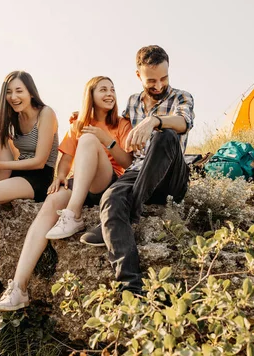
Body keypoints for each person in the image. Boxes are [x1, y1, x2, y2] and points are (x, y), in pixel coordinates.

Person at [0, 76, 133, 312]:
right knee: (51, 202)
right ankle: (18, 288)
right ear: (91, 95)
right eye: (103, 90)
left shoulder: (122, 124)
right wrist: (61, 175)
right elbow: (65, 160)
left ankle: (73, 214)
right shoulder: (78, 123)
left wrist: (107, 141)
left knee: (89, 139)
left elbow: (127, 162)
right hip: (82, 183)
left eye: (113, 90)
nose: (110, 94)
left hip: (110, 181)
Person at [80, 45, 195, 294]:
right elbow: (114, 128)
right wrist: (86, 117)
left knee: (165, 137)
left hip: (170, 176)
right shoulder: (132, 102)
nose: (159, 84)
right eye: (151, 80)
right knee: (111, 198)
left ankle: (129, 212)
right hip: (137, 171)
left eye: (163, 78)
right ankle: (131, 289)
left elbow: (183, 122)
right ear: (138, 76)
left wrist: (153, 121)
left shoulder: (181, 97)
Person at [0, 70, 59, 311]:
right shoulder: (11, 113)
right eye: (9, 92)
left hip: (39, 176)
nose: (14, 97)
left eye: (19, 91)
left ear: (30, 92)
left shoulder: (45, 113)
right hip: (14, 170)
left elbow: (39, 161)